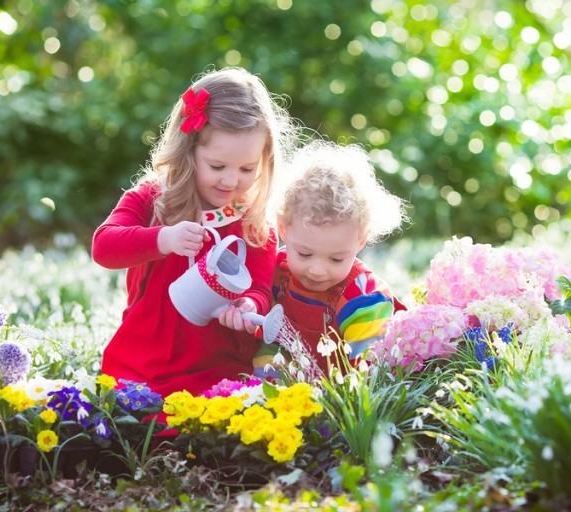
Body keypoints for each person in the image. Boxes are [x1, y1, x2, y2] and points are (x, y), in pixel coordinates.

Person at [92, 67, 297, 399]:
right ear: (188, 151)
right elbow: (104, 247)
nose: (231, 181)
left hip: (220, 366)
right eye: (217, 166)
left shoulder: (252, 219)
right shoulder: (154, 198)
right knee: (137, 416)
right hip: (145, 360)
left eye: (247, 169)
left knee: (231, 421)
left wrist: (248, 304)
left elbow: (260, 286)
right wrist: (163, 238)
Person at [253, 140, 408, 377]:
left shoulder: (363, 296)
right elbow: (273, 340)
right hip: (296, 390)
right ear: (283, 227)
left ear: (360, 241)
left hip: (346, 394)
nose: (317, 270)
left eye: (336, 259)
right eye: (304, 254)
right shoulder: (276, 271)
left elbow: (371, 368)